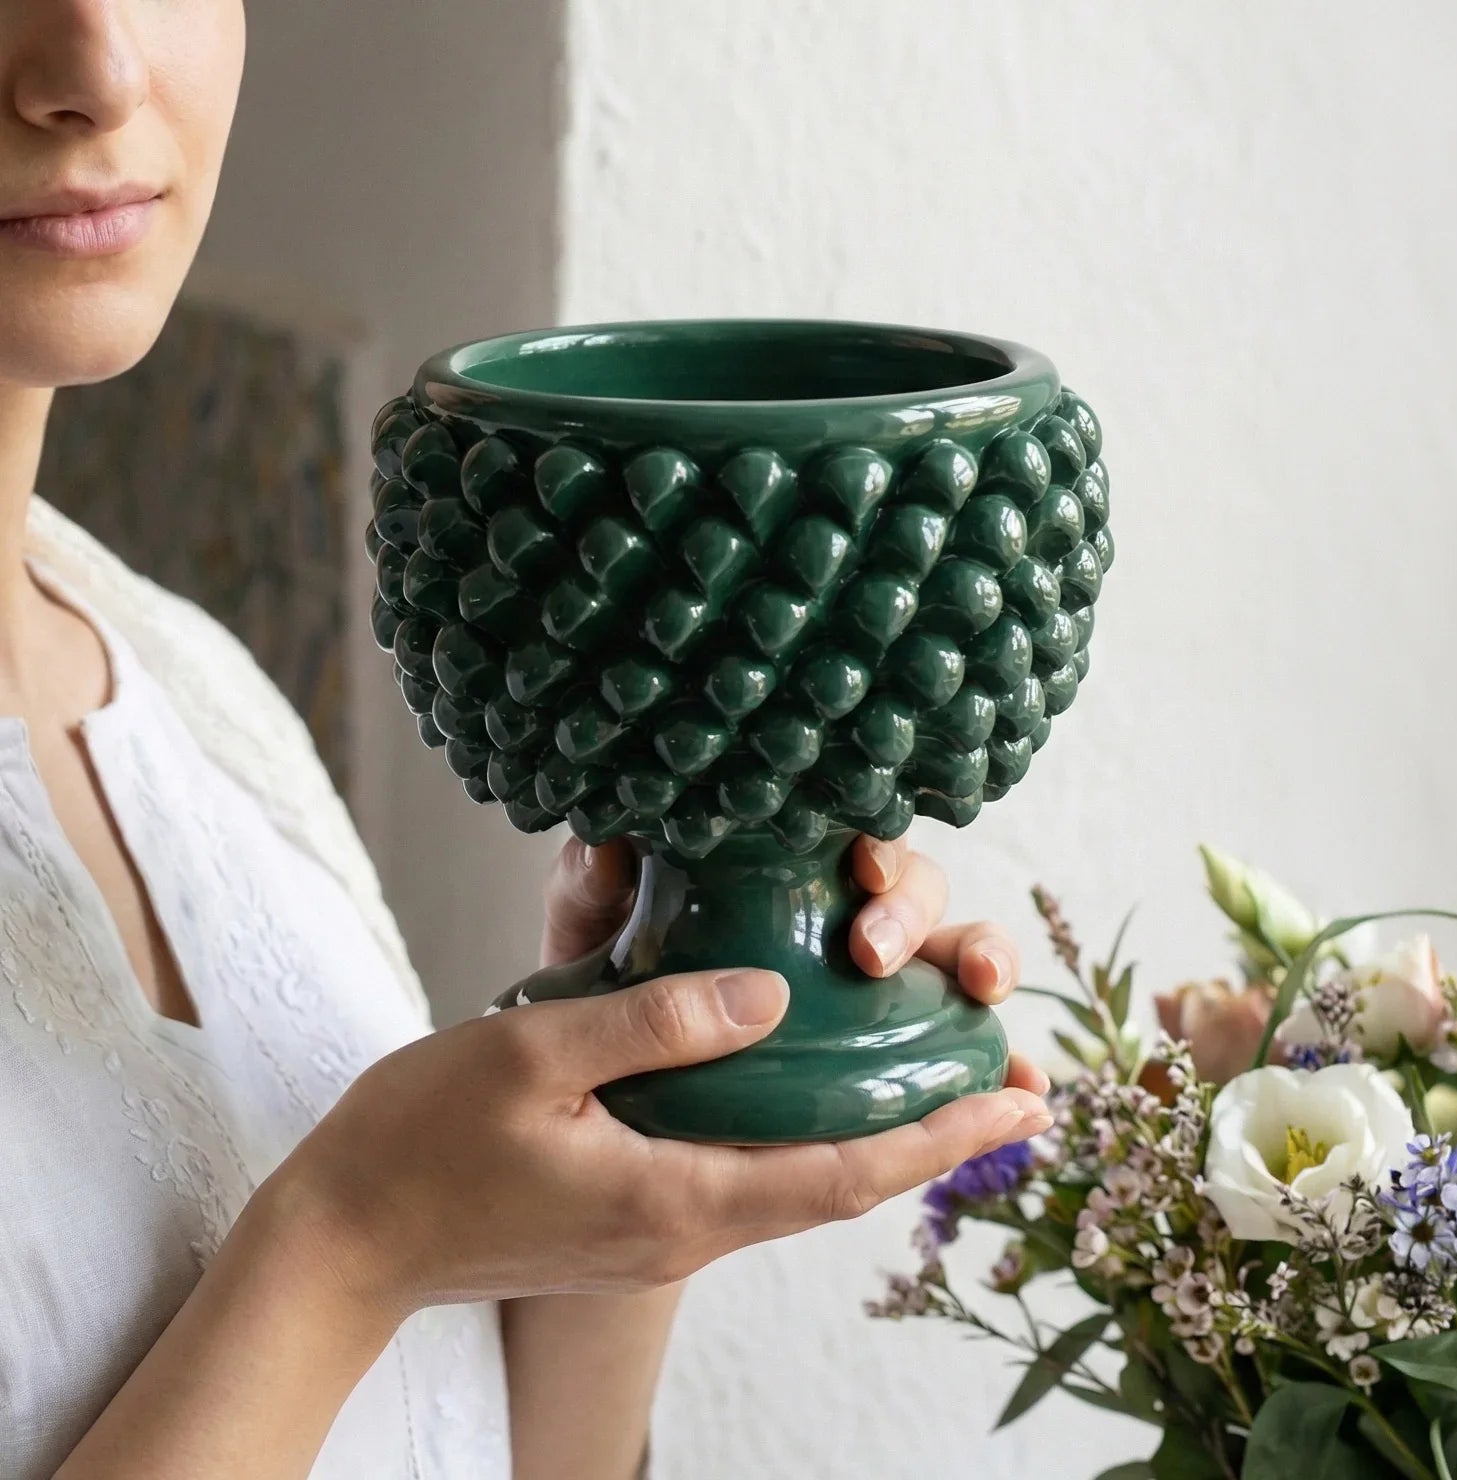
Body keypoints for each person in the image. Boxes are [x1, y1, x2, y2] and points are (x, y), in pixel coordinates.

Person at [0, 4, 1052, 1478]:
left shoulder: (186, 686)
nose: (93, 70)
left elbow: (487, 1451)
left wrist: (649, 1109)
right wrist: (352, 1240)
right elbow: (353, 1268)